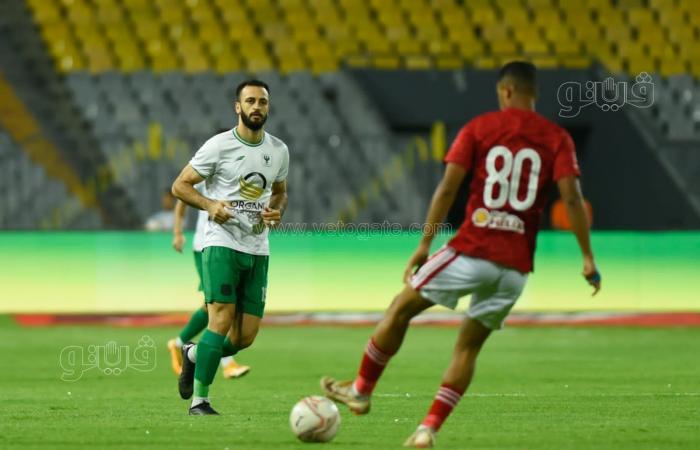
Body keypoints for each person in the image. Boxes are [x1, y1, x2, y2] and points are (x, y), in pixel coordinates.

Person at [321, 61, 601, 448]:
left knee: (400, 308)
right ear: (531, 92)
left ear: (505, 91)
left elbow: (447, 189)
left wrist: (423, 244)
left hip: (473, 249)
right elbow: (571, 198)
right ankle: (427, 429)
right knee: (467, 347)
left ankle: (362, 389)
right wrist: (587, 258)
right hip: (516, 268)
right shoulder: (557, 137)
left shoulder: (480, 128)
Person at [171, 79, 289, 415]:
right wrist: (209, 206)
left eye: (262, 102)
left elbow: (280, 191)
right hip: (221, 245)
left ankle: (193, 354)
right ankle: (200, 400)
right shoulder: (218, 146)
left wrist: (277, 210)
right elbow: (180, 185)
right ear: (238, 107)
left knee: (244, 338)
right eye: (250, 101)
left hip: (258, 248)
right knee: (219, 320)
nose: (256, 107)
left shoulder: (279, 150)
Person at [166, 183, 251, 379]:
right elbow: (182, 200)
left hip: (230, 246)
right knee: (222, 302)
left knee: (214, 304)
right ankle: (227, 363)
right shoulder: (207, 169)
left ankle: (178, 344)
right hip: (205, 245)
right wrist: (177, 233)